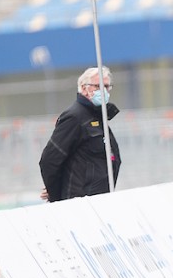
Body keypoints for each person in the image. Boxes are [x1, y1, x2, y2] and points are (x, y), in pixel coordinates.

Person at [39, 67, 121, 202]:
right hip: (81, 203)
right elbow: (50, 159)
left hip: (101, 199)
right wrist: (57, 195)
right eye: (98, 86)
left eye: (106, 87)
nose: (104, 91)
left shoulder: (98, 117)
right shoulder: (74, 117)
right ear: (84, 88)